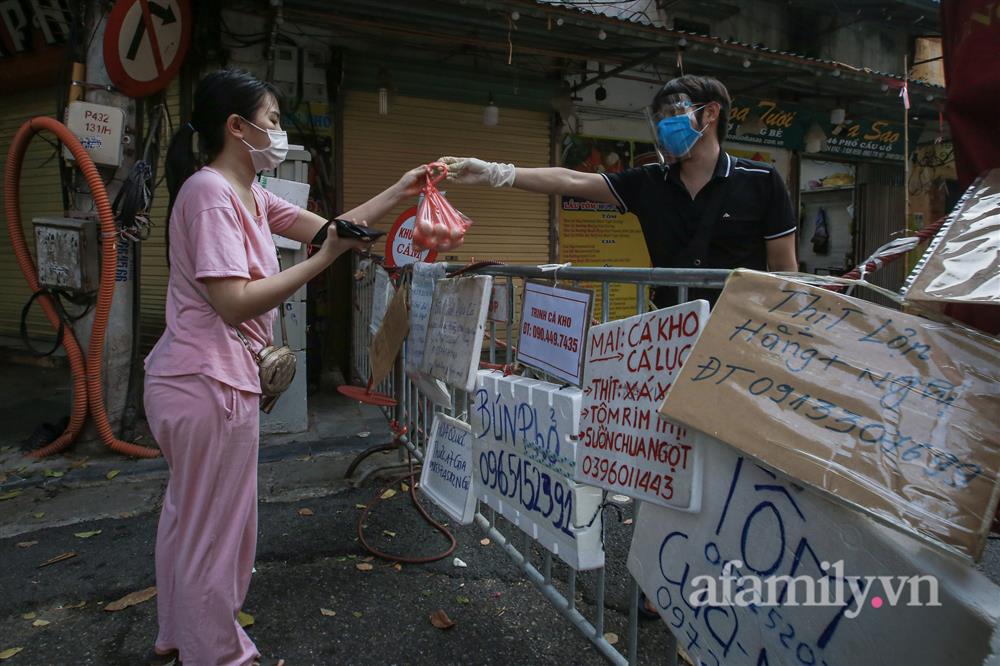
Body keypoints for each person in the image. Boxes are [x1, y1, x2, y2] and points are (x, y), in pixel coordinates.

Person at [144, 69, 423, 666]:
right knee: (216, 533)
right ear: (236, 127)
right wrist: (324, 260)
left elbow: (336, 228)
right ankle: (216, 654)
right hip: (207, 382)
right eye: (272, 121)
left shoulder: (247, 193)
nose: (281, 133)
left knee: (191, 521)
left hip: (198, 379)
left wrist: (403, 190)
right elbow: (234, 299)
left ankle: (179, 636)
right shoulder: (212, 193)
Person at [440, 74, 798, 306]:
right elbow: (571, 180)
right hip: (670, 334)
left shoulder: (762, 180)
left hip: (739, 333)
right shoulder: (648, 182)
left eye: (674, 111)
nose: (665, 124)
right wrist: (493, 172)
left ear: (711, 114)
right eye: (659, 117)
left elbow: (785, 269)